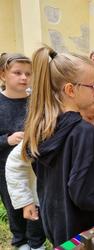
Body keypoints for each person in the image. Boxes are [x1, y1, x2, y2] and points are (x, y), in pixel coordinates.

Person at [21, 46, 94, 246]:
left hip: (55, 224)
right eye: (92, 86)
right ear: (70, 90)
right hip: (81, 233)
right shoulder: (85, 132)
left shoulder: (44, 125)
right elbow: (87, 197)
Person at [0, 53, 46, 250]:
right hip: (6, 170)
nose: (24, 78)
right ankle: (20, 242)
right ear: (3, 74)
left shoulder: (37, 102)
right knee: (15, 205)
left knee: (37, 203)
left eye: (28, 73)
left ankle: (36, 243)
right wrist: (6, 140)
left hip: (36, 167)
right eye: (17, 72)